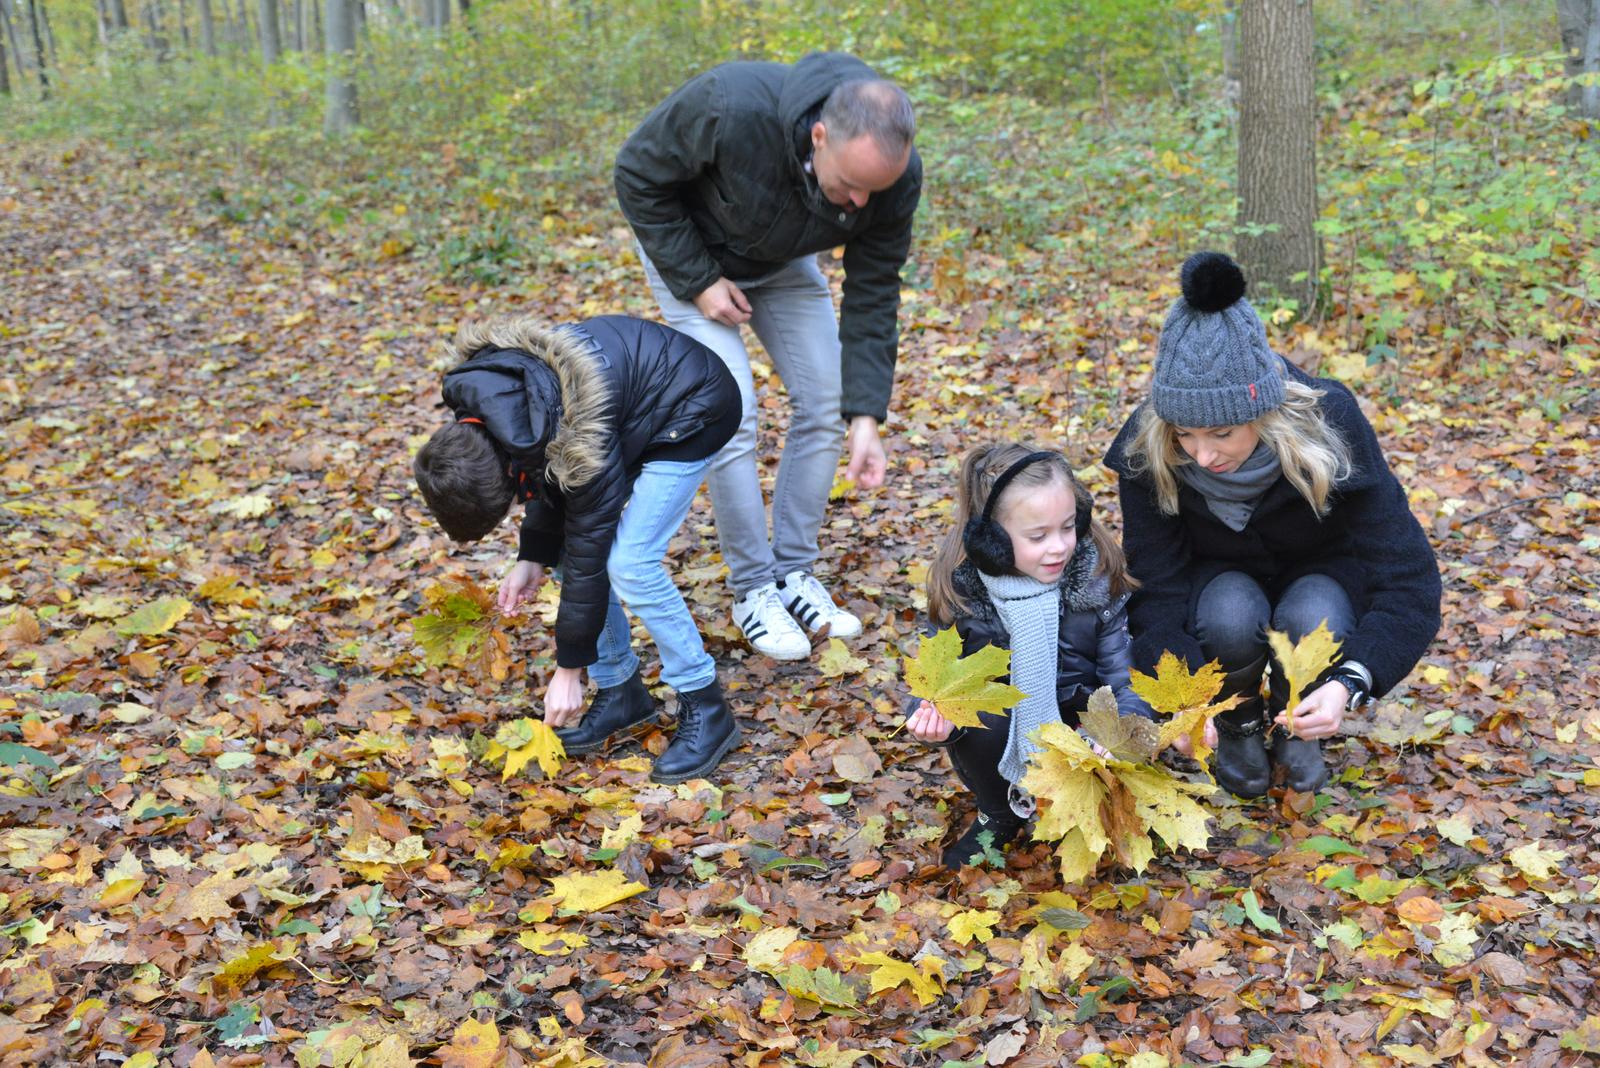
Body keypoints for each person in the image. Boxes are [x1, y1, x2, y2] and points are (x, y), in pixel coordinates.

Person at [614, 52, 923, 661]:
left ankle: (792, 574)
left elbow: (873, 288)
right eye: (848, 185)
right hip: (691, 255)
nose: (859, 204)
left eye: (873, 190)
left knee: (829, 401)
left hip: (780, 264)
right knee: (731, 411)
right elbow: (637, 174)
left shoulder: (893, 180)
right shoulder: (730, 106)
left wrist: (866, 416)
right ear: (819, 136)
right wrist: (700, 280)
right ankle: (753, 588)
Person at [1105, 252, 1442, 797]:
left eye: (1221, 434)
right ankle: (1238, 722)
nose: (1203, 454)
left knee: (1313, 611)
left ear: (1265, 413)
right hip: (1214, 587)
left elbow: (1410, 583)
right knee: (1232, 611)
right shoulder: (1148, 450)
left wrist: (1352, 681)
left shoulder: (1332, 426)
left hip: (1325, 578)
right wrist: (1192, 701)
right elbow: (1156, 592)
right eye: (1185, 435)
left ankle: (1299, 719)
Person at [412, 314, 744, 785]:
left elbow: (584, 533)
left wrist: (569, 671)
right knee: (569, 554)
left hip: (693, 404)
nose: (518, 503)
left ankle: (706, 705)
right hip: (624, 409)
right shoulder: (490, 419)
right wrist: (532, 556)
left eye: (511, 502)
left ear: (507, 475)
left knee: (631, 562)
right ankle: (622, 692)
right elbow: (545, 478)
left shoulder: (563, 432)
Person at [905, 444, 1147, 869]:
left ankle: (1076, 809)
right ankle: (999, 812)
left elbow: (1123, 676)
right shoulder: (964, 593)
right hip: (1001, 734)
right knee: (979, 711)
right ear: (991, 540)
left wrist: (1118, 729)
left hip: (1082, 728)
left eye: (1069, 527)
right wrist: (929, 714)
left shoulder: (1094, 581)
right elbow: (934, 679)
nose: (1059, 547)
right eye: (1037, 536)